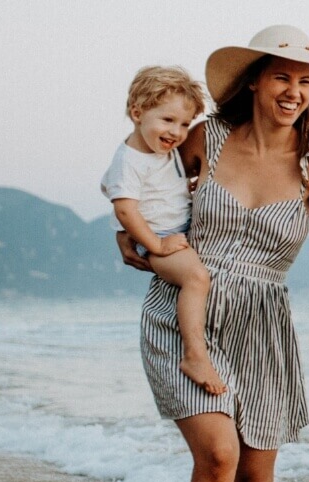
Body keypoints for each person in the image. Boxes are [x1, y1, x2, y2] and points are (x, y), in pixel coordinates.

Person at [116, 25, 309, 482]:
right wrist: (125, 229)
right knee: (220, 456)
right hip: (185, 309)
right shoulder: (206, 137)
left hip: (263, 323)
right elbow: (142, 177)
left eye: (304, 80)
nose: (293, 91)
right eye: (281, 77)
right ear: (253, 82)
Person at [102, 65, 226, 396]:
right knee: (196, 279)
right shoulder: (129, 160)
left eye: (184, 124)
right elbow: (125, 208)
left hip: (174, 230)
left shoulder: (159, 150)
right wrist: (155, 245)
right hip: (156, 240)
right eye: (168, 120)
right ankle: (194, 356)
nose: (177, 132)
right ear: (137, 112)